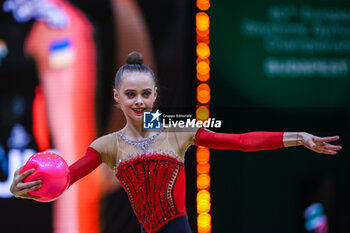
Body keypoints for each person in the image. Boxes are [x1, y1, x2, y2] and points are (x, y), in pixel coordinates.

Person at [10, 52, 342, 233]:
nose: (138, 102)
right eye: (130, 95)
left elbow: (241, 141)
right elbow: (64, 178)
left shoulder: (176, 128)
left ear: (154, 96)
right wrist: (23, 187)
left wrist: (299, 138)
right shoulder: (107, 145)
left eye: (145, 94)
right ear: (117, 97)